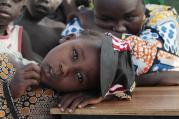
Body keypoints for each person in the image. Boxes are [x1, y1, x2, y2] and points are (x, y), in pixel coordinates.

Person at [1, 30, 179, 118]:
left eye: (79, 78)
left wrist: (104, 95)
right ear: (69, 38)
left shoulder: (64, 105)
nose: (66, 69)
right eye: (74, 55)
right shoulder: (6, 61)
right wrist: (7, 90)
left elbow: (164, 77)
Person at [59, 0, 179, 112]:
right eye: (105, 19)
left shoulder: (163, 18)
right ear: (94, 10)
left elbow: (149, 60)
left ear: (143, 5)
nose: (119, 28)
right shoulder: (82, 18)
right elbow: (61, 53)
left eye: (131, 17)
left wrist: (106, 89)